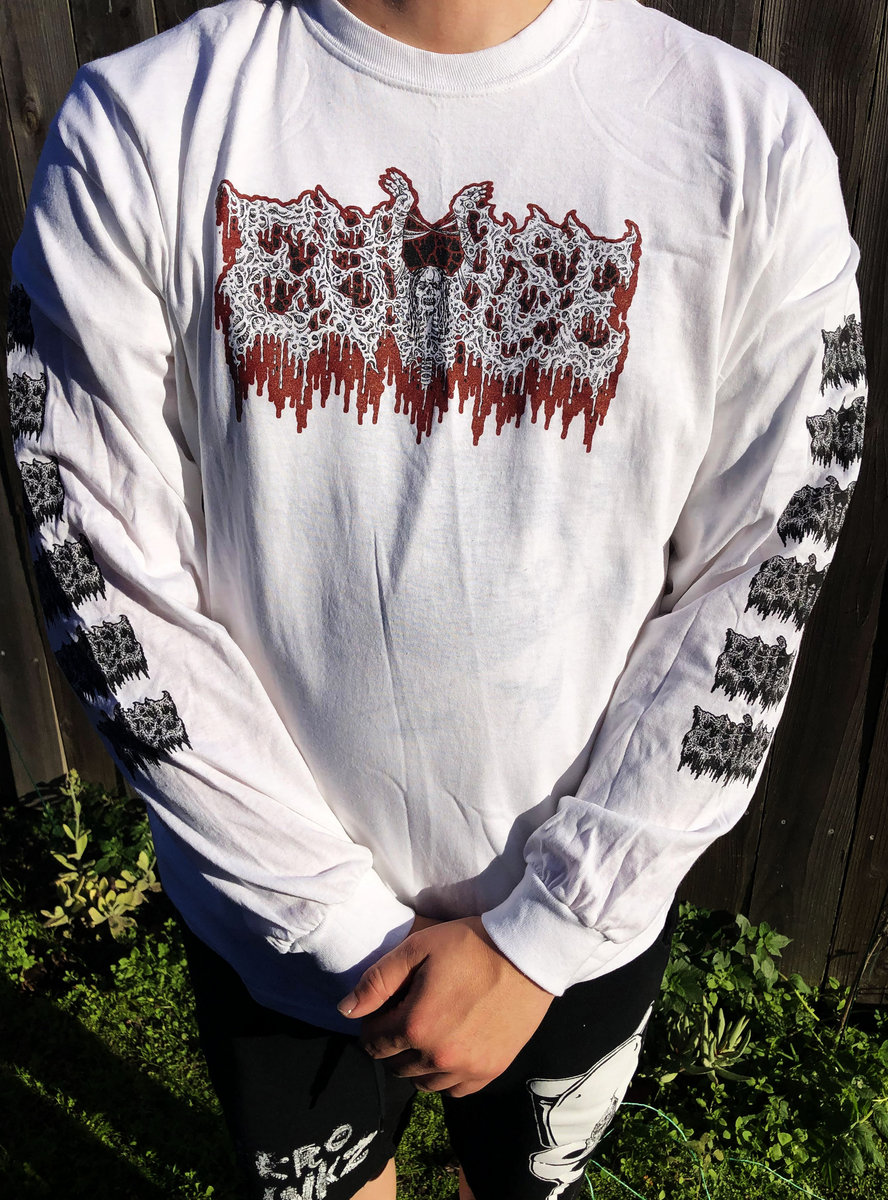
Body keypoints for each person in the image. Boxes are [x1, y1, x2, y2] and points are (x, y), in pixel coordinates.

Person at [5, 0, 868, 1196]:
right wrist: (326, 920)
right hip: (270, 915)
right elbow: (96, 552)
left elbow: (766, 560)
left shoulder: (746, 141)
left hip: (573, 922)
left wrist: (546, 931)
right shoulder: (141, 126)